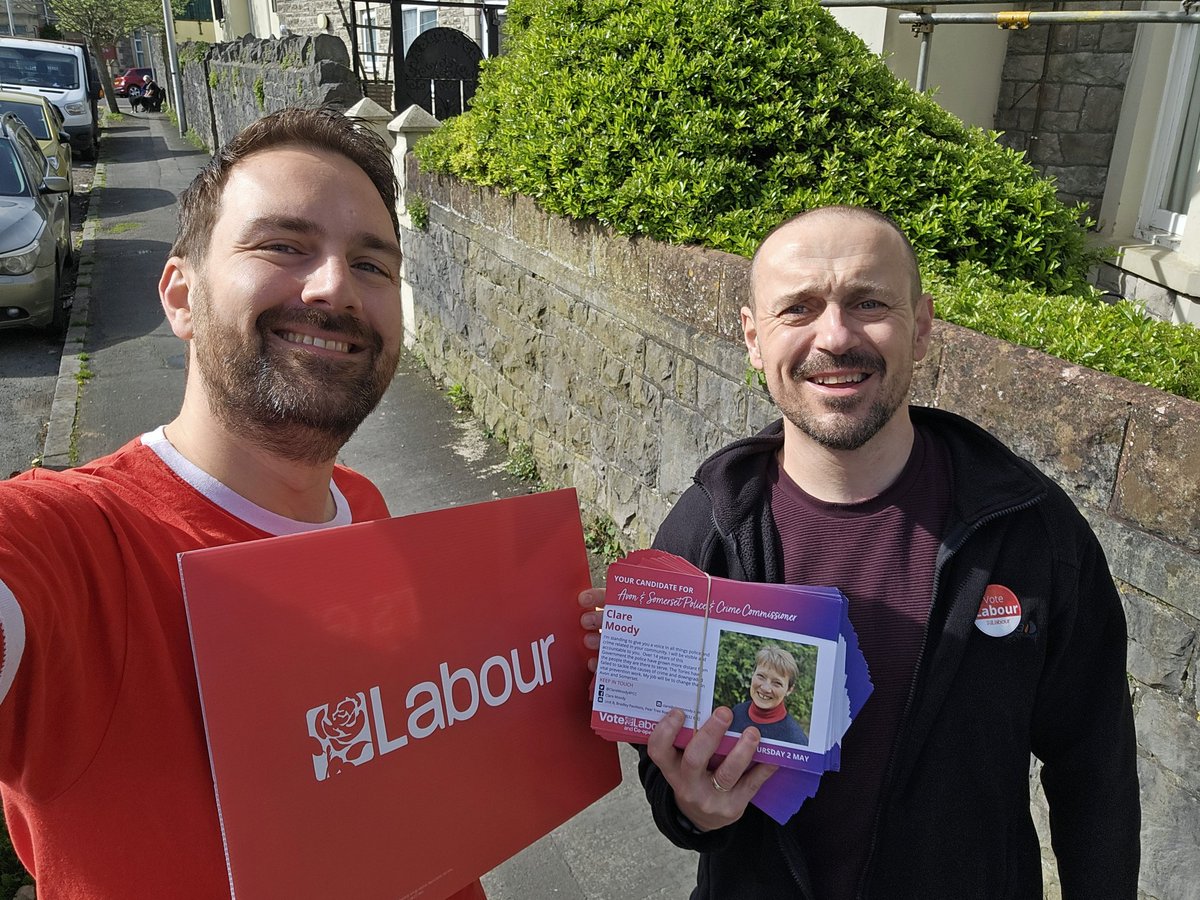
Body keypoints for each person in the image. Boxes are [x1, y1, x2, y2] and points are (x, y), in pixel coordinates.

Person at [582, 206, 1140, 898]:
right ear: (754, 340)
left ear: (923, 326)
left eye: (869, 302)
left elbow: (1095, 769)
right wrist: (694, 811)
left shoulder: (1031, 532)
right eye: (798, 309)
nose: (836, 336)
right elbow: (664, 763)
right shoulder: (711, 530)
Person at [0, 108, 487, 899]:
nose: (334, 284)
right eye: (283, 246)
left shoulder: (362, 508)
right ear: (181, 295)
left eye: (373, 264)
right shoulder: (76, 543)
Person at [728, 645, 808, 745]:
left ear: (789, 690)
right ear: (753, 675)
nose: (765, 688)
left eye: (777, 683)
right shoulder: (736, 713)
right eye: (761, 676)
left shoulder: (796, 741)